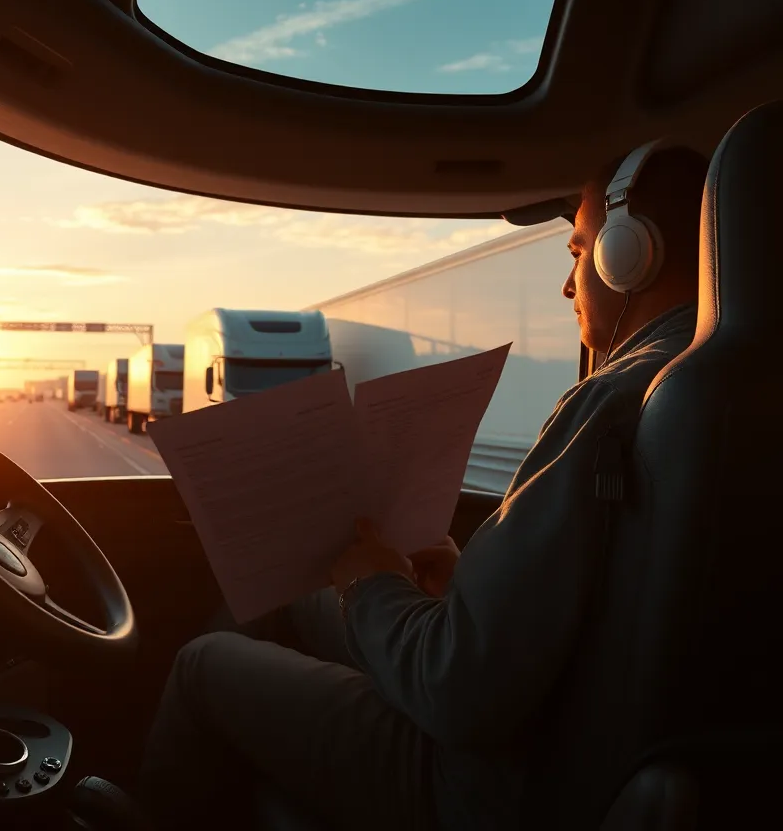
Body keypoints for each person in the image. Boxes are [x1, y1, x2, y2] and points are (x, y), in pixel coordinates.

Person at [137, 144, 710, 831]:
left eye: (577, 251)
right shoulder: (710, 392)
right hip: (556, 742)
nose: (568, 285)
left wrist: (370, 585)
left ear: (630, 253)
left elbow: (459, 690)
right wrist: (463, 585)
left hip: (489, 782)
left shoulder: (611, 402)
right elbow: (578, 616)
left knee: (204, 665)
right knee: (299, 595)